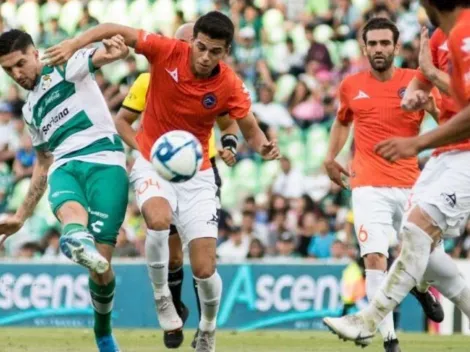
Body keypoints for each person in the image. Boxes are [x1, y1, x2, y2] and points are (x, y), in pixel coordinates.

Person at [45, 12, 280, 352]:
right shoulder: (166, 51)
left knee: (204, 267)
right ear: (191, 41)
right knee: (157, 220)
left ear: (225, 52)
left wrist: (264, 147)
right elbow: (114, 29)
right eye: (200, 47)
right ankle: (162, 298)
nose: (204, 56)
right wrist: (74, 44)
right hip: (154, 163)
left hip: (198, 173)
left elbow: (248, 129)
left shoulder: (229, 84)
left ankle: (208, 329)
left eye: (214, 51)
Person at [324, 1, 470, 347]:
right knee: (405, 254)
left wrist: (416, 139)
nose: (378, 49)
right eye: (372, 43)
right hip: (375, 180)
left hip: (424, 170)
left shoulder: (461, 37)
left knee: (421, 240)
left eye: (384, 43)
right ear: (363, 47)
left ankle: (368, 320)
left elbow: (449, 106)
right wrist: (331, 156)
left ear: (394, 45)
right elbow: (342, 121)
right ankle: (389, 338)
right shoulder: (438, 39)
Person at [0, 30, 130, 352]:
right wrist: (20, 216)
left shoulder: (64, 65)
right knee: (69, 204)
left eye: (19, 64)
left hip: (106, 162)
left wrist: (113, 52)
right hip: (66, 165)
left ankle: (102, 331)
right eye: (7, 70)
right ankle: (74, 235)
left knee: (101, 269)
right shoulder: (30, 110)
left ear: (34, 54)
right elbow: (44, 164)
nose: (16, 74)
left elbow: (102, 56)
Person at [115, 22, 238, 349]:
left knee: (203, 260)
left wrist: (230, 144)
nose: (191, 54)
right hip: (162, 171)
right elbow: (122, 121)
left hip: (202, 171)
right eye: (186, 45)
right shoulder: (149, 78)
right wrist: (145, 152)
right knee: (168, 246)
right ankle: (172, 304)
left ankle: (204, 326)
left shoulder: (218, 80)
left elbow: (230, 120)